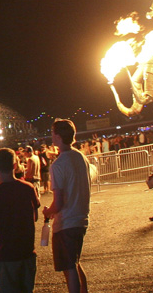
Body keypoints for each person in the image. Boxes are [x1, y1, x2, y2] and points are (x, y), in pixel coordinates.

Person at [42, 119, 91, 293]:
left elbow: (59, 202)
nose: (51, 136)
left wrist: (48, 211)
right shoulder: (80, 157)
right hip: (81, 219)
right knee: (74, 262)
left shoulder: (58, 165)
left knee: (69, 267)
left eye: (52, 132)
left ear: (57, 136)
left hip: (66, 223)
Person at [0, 148, 39, 293]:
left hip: (6, 253)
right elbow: (35, 216)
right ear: (15, 165)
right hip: (27, 251)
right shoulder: (28, 188)